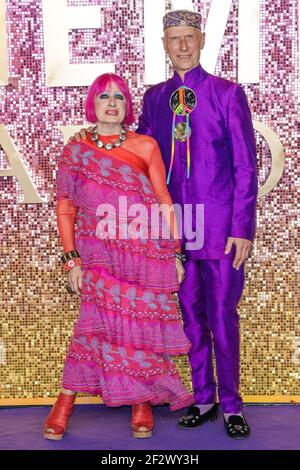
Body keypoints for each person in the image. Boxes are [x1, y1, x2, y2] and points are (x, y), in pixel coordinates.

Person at [73, 9, 258, 439]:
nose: (182, 46)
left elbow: (246, 167)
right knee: (189, 320)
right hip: (172, 230)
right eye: (174, 38)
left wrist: (242, 228)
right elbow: (137, 156)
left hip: (217, 228)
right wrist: (91, 147)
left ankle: (231, 404)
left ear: (202, 39)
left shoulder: (227, 94)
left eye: (189, 37)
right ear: (164, 44)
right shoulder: (155, 98)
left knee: (222, 317)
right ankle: (204, 398)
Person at [44, 72, 194, 441]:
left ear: (127, 106)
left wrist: (174, 250)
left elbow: (162, 199)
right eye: (104, 97)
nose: (112, 103)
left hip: (143, 252)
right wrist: (71, 259)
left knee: (138, 330)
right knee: (90, 328)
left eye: (120, 98)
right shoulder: (76, 150)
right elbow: (65, 205)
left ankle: (140, 402)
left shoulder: (145, 146)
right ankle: (64, 402)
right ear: (92, 103)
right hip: (97, 255)